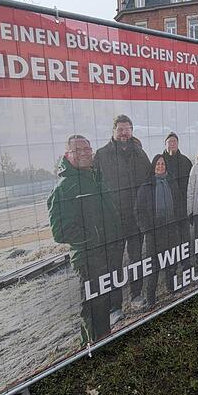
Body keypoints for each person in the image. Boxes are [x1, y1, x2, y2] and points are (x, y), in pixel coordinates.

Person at [47, 135, 123, 343]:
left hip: (107, 252)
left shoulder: (95, 178)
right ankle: (92, 347)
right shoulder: (64, 188)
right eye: (78, 150)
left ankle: (101, 341)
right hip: (88, 257)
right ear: (67, 155)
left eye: (87, 149)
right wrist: (95, 238)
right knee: (92, 306)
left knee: (103, 303)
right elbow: (60, 231)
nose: (84, 153)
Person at [95, 115, 152, 315]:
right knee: (114, 264)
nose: (124, 133)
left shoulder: (140, 154)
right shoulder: (101, 156)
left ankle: (136, 295)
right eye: (120, 129)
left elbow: (148, 182)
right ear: (113, 131)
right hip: (113, 221)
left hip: (136, 219)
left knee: (136, 258)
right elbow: (95, 188)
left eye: (127, 129)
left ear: (132, 131)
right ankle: (115, 306)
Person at [135, 155, 184, 307]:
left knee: (171, 260)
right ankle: (150, 298)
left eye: (163, 164)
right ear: (153, 166)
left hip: (171, 228)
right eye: (158, 164)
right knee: (153, 265)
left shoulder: (172, 182)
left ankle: (172, 288)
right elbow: (138, 211)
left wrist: (179, 223)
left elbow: (179, 203)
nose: (160, 166)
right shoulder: (146, 186)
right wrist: (146, 230)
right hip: (154, 233)